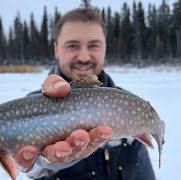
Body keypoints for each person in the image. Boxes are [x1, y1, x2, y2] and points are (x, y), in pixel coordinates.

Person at [14, 8, 156, 180]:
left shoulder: (128, 106)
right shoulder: (27, 109)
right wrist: (50, 159)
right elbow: (30, 166)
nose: (83, 56)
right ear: (56, 49)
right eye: (72, 45)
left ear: (105, 48)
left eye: (93, 45)